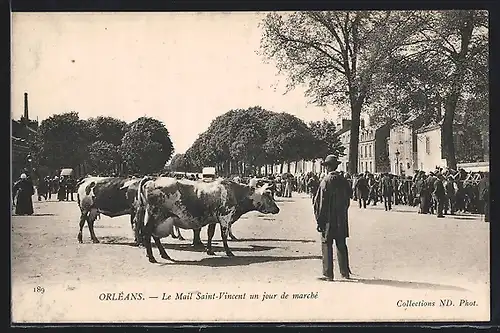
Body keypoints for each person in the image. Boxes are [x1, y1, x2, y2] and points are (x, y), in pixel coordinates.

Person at [313, 155, 352, 281]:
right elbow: (348, 199)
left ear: (328, 167)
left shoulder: (325, 181)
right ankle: (345, 272)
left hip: (329, 219)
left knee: (326, 244)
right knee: (341, 244)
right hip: (341, 218)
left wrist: (319, 220)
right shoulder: (344, 180)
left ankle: (328, 274)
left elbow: (320, 203)